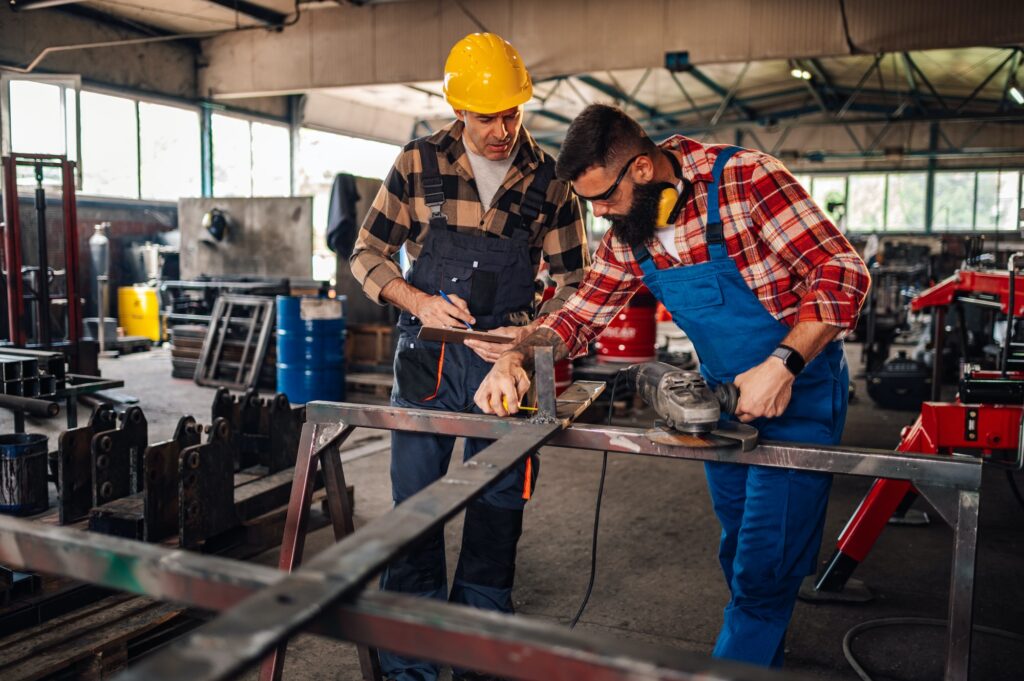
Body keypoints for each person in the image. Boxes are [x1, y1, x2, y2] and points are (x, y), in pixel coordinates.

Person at [473, 104, 870, 668]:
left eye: (604, 198)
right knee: (737, 542)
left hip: (798, 387)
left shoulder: (748, 180)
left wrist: (783, 363)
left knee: (765, 558)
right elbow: (580, 316)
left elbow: (842, 271)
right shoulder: (631, 232)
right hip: (721, 401)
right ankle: (761, 635)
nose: (602, 214)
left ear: (640, 168)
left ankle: (743, 651)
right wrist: (517, 355)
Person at [349, 32, 589, 681]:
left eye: (512, 113)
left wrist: (527, 340)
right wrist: (418, 302)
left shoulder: (551, 179)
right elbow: (366, 254)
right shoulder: (416, 165)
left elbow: (577, 284)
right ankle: (410, 668)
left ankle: (477, 662)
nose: (502, 129)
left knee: (496, 516)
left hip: (511, 365)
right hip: (426, 357)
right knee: (415, 515)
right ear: (458, 109)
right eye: (488, 117)